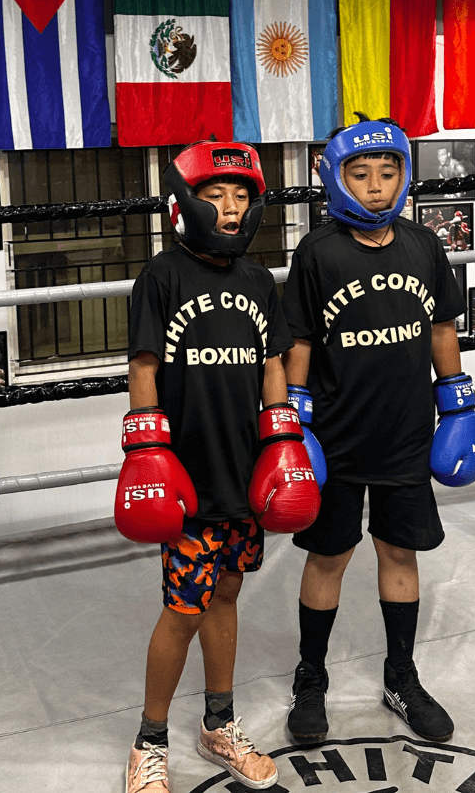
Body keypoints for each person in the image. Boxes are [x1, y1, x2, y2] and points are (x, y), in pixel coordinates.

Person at [117, 141, 320, 793]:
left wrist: (283, 440)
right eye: (215, 197)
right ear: (188, 204)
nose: (230, 209)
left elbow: (272, 365)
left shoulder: (259, 282)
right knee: (182, 609)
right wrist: (148, 454)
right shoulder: (162, 277)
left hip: (243, 473)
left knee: (228, 593)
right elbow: (145, 366)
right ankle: (149, 743)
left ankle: (218, 725)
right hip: (187, 476)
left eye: (239, 197)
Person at [281, 114, 475, 747]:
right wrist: (295, 420)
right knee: (329, 556)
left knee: (400, 553)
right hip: (339, 436)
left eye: (387, 172)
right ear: (337, 180)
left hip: (406, 433)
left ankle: (402, 676)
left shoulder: (424, 244)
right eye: (361, 174)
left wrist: (458, 404)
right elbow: (300, 339)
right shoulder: (317, 250)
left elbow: (442, 328)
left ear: (403, 176)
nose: (375, 186)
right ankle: (309, 679)